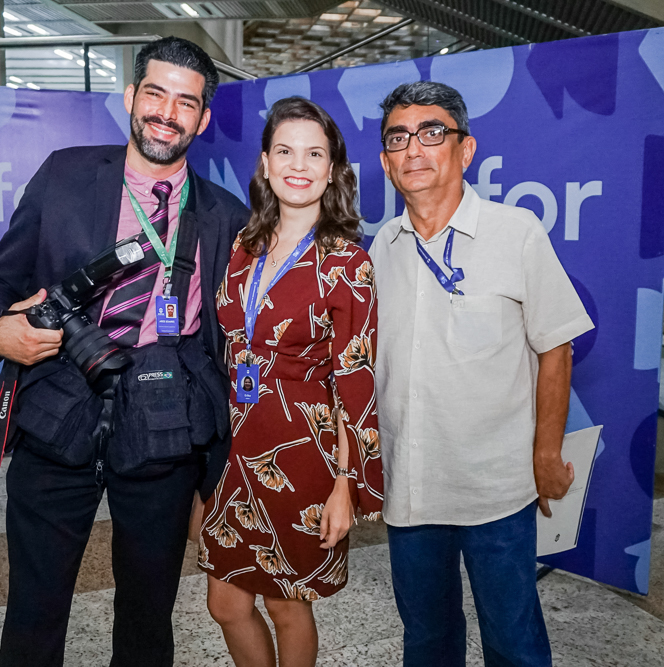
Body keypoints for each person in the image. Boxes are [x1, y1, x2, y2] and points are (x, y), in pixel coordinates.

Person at [0, 37, 249, 667]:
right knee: (35, 609)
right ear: (130, 97)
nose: (166, 113)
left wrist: (218, 475)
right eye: (155, 93)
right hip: (59, 407)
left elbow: (227, 348)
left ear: (203, 120)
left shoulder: (227, 216)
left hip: (163, 425)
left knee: (148, 616)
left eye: (186, 102)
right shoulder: (65, 173)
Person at [369, 81, 594, 667]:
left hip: (496, 488)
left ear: (465, 150)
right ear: (386, 158)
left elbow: (557, 347)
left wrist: (547, 453)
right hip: (410, 489)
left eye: (432, 132)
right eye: (398, 137)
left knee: (513, 637)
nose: (414, 149)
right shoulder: (380, 250)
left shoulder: (514, 233)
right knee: (426, 637)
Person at [198, 97, 383, 667]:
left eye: (314, 153)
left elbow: (357, 382)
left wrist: (345, 485)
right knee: (225, 604)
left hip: (304, 456)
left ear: (333, 170)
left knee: (286, 605)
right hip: (237, 450)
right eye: (285, 151)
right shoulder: (240, 248)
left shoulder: (348, 264)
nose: (297, 164)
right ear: (264, 163)